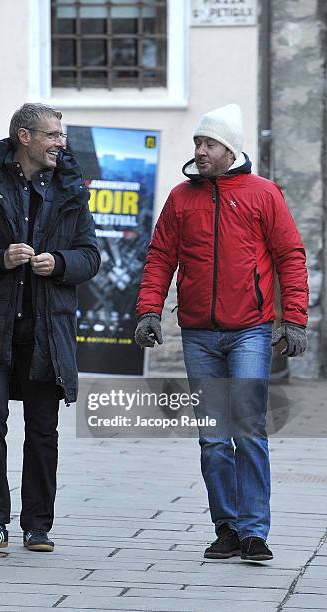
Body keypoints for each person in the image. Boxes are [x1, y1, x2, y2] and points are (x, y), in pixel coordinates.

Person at [135, 104, 308, 562]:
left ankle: (255, 532)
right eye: (197, 142)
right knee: (213, 437)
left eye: (208, 143)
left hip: (250, 331)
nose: (200, 150)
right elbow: (159, 258)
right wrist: (149, 311)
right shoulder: (180, 197)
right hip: (198, 336)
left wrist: (293, 318)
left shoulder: (263, 194)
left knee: (249, 429)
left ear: (230, 149)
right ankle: (227, 528)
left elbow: (290, 255)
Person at [0, 103, 100, 553]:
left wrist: (61, 263)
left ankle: (37, 526)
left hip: (47, 331)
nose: (60, 143)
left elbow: (90, 255)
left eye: (61, 136)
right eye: (52, 135)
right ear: (24, 137)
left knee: (42, 429)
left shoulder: (70, 188)